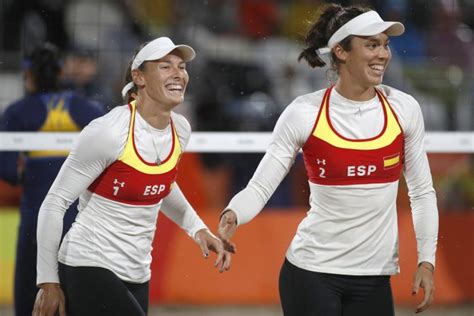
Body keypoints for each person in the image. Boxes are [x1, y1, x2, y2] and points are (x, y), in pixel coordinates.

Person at [218, 4, 438, 316]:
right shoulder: (304, 112)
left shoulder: (405, 109)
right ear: (341, 51)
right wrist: (233, 214)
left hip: (374, 280)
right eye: (372, 45)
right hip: (311, 274)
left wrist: (426, 261)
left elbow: (422, 193)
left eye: (385, 45)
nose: (383, 54)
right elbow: (261, 186)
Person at [32, 37, 232, 316]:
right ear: (139, 77)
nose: (178, 73)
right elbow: (54, 203)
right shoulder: (108, 132)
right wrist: (48, 281)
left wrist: (197, 228)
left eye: (181, 66)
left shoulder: (181, 130)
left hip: (138, 272)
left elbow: (161, 183)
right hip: (88, 263)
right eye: (165, 66)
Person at [0, 42, 105, 316]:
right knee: (78, 300)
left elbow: (8, 170)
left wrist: (32, 174)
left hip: (36, 217)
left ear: (29, 76)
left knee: (30, 297)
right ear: (61, 73)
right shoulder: (89, 110)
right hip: (80, 222)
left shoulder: (17, 112)